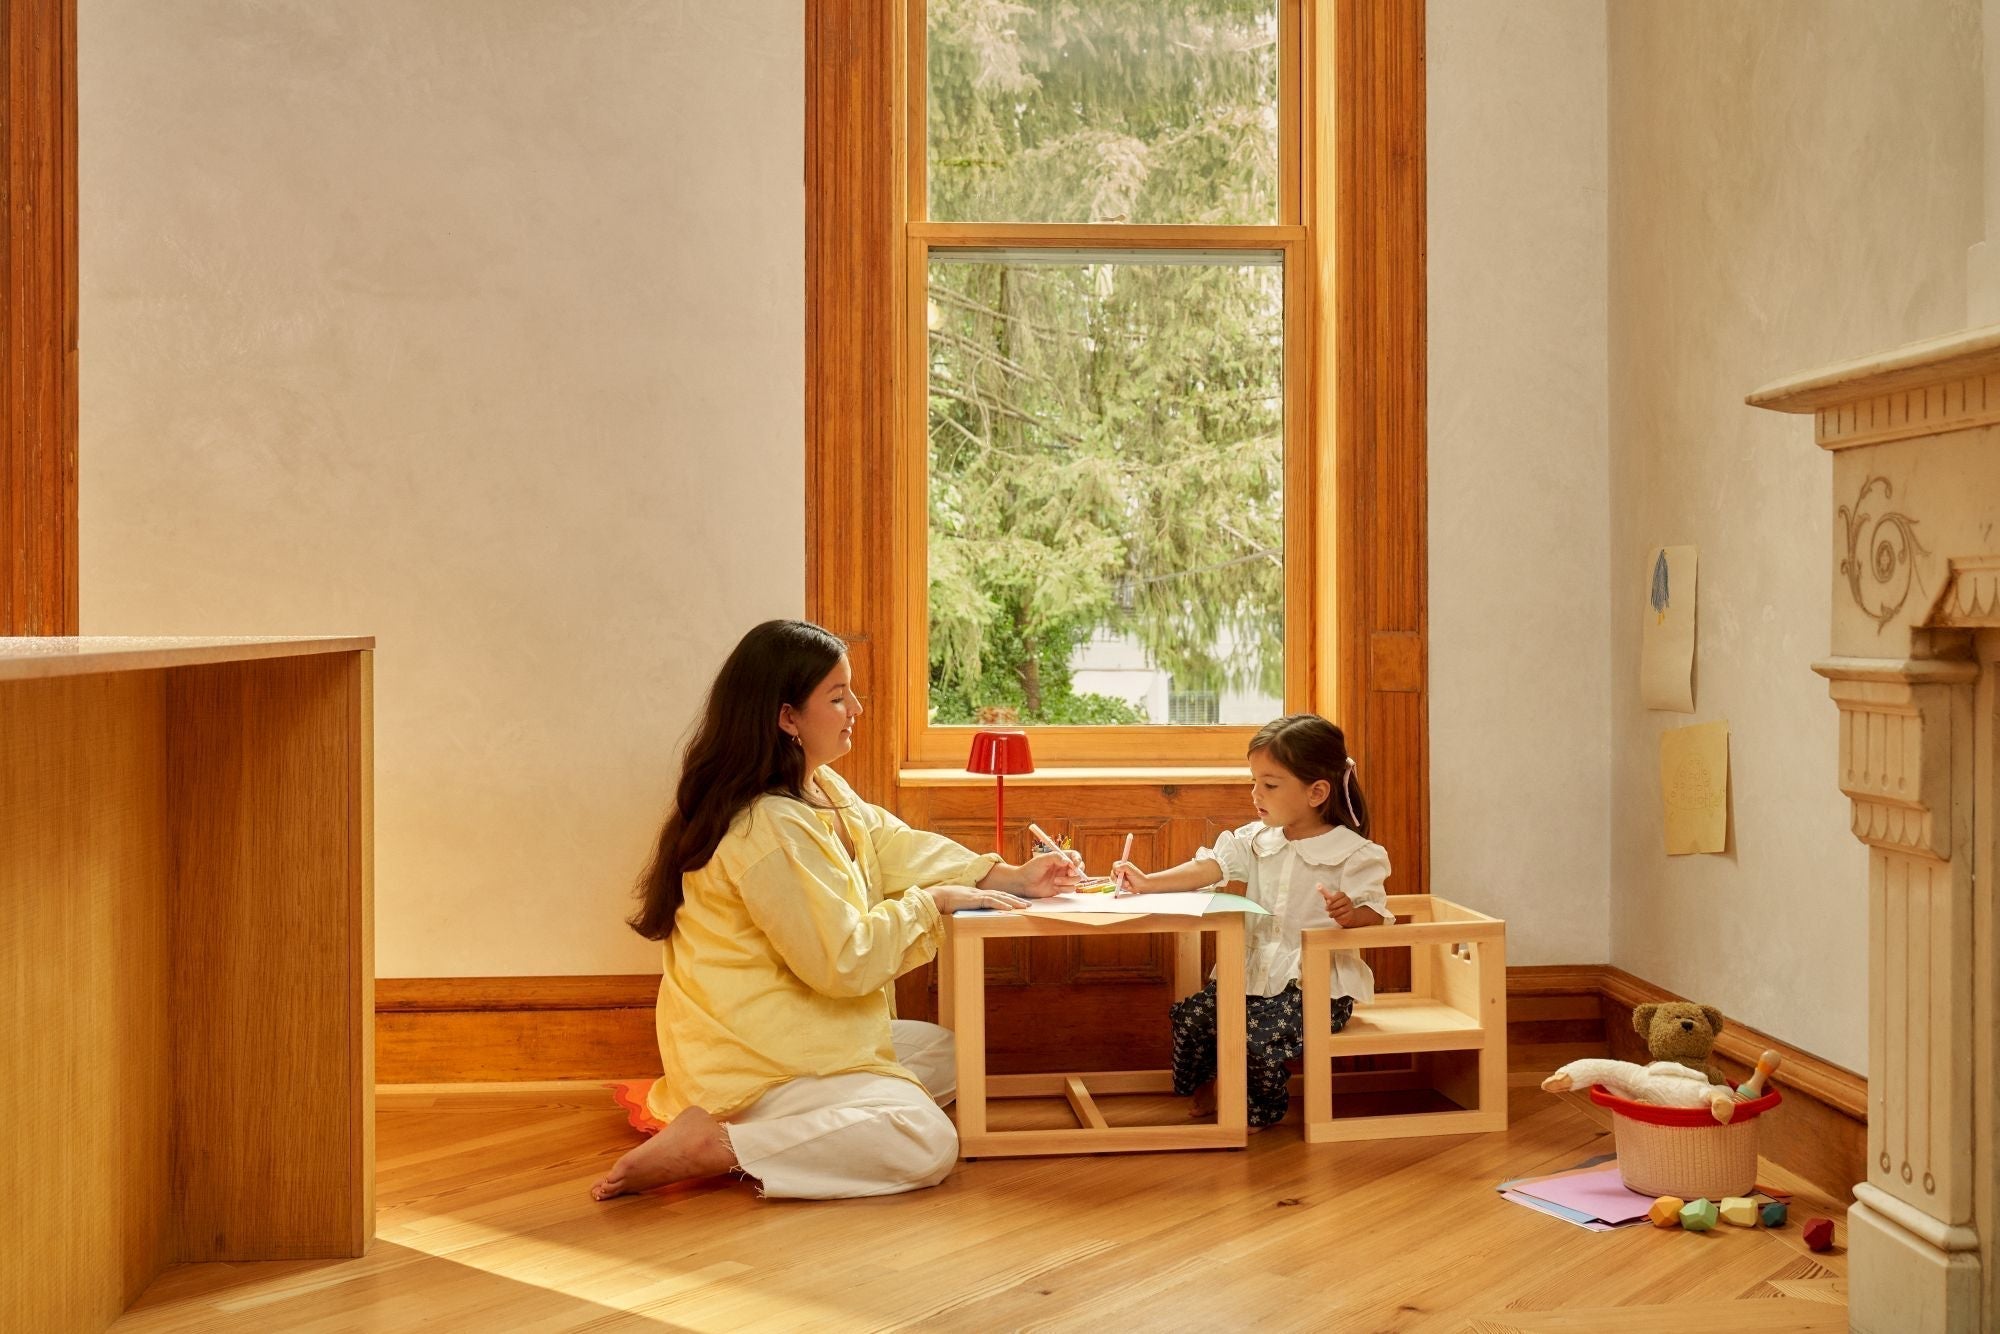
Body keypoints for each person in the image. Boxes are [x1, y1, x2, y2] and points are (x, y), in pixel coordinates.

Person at [590, 619, 1079, 1201]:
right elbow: (843, 962)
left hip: (799, 1028)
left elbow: (895, 846)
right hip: (758, 1052)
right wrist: (933, 903)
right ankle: (720, 1144)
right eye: (838, 696)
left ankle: (768, 1127)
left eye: (852, 693)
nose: (856, 709)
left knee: (950, 1055)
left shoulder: (820, 789)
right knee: (925, 1140)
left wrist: (1012, 877)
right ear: (787, 716)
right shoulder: (767, 826)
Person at [1111, 714, 1390, 1129]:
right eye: (1254, 781)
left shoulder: (1355, 852)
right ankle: (1205, 1085)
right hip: (1252, 978)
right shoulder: (1256, 839)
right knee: (1190, 1016)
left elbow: (1378, 913)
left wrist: (1352, 913)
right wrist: (1149, 882)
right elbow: (1209, 867)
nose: (1256, 793)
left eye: (1270, 785)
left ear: (1316, 792)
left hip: (1316, 990)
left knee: (1255, 1037)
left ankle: (1259, 1112)